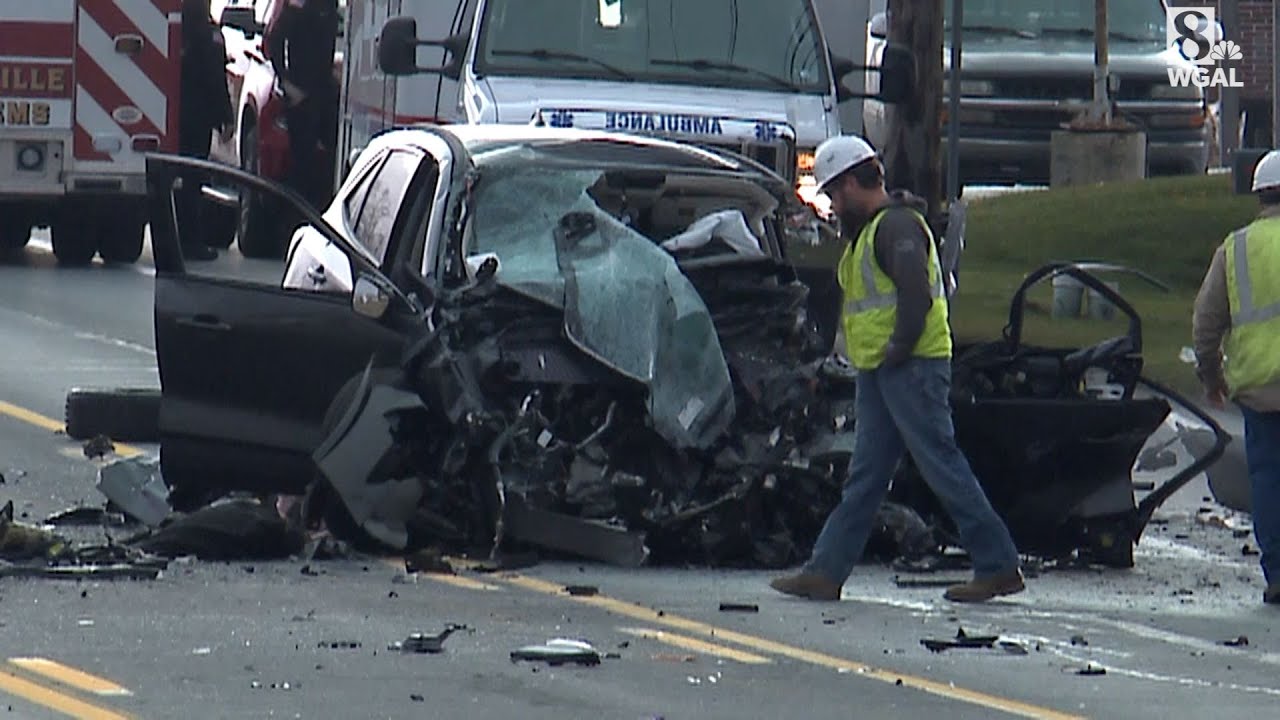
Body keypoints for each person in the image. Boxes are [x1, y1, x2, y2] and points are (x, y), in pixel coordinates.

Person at [769, 135, 1024, 604]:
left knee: (940, 464)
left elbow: (916, 297)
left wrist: (898, 347)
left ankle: (997, 564)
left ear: (850, 183)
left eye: (833, 193)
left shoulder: (897, 228)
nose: (832, 204)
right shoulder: (872, 232)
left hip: (910, 366)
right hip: (882, 369)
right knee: (866, 475)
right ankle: (825, 572)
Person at [1192, 149, 1280, 606]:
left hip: (1260, 388)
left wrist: (1211, 375)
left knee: (1268, 479)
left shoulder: (1237, 248)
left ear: (1258, 196)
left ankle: (1278, 572)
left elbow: (1206, 324)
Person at [267, 0, 340, 210]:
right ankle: (297, 228)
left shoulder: (331, 5)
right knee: (302, 173)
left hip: (325, 94)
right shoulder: (298, 4)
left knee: (328, 171)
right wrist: (287, 84)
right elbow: (274, 40)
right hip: (302, 97)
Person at [178, 0, 233, 261]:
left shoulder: (176, 28)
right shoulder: (208, 34)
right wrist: (226, 117)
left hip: (173, 114)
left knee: (177, 181)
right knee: (192, 181)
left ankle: (176, 239)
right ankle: (189, 242)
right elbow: (215, 79)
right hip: (197, 118)